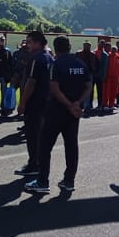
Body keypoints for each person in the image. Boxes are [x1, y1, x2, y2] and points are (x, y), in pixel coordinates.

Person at [29, 36, 91, 193]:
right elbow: (89, 86)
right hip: (74, 113)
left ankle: (43, 181)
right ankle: (69, 180)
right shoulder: (81, 64)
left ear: (55, 48)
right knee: (71, 145)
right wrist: (77, 103)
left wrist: (69, 104)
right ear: (69, 46)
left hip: (56, 110)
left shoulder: (55, 64)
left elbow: (54, 88)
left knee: (45, 146)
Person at [15, 31, 52, 180]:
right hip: (45, 102)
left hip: (35, 102)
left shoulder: (36, 58)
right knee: (40, 135)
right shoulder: (49, 57)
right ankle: (37, 163)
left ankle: (34, 165)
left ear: (37, 42)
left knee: (33, 135)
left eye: (29, 42)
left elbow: (31, 82)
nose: (27, 45)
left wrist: (22, 103)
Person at [76, 41, 98, 111]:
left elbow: (97, 64)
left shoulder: (93, 55)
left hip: (89, 73)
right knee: (80, 89)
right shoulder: (79, 54)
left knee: (88, 90)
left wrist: (94, 70)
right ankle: (80, 104)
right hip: (80, 73)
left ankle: (87, 105)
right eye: (85, 45)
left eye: (88, 46)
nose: (87, 47)